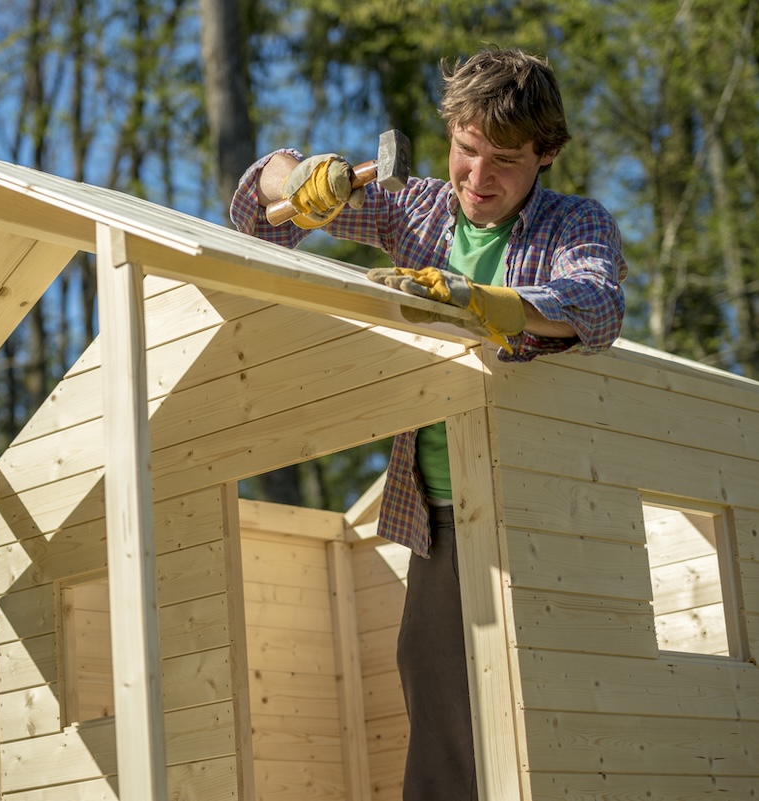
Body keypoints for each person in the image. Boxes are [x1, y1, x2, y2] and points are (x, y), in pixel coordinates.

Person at [229, 47, 627, 800]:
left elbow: (596, 305)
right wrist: (304, 180)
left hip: (533, 505)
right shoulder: (415, 208)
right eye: (466, 150)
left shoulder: (577, 224)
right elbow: (257, 210)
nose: (477, 177)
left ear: (546, 154)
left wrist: (488, 304)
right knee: (430, 677)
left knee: (530, 702)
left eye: (504, 160)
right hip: (439, 512)